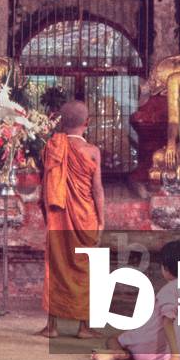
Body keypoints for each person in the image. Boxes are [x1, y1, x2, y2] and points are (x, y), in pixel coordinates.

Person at [38, 100, 105, 339]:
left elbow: (45, 186)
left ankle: (52, 327)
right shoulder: (92, 152)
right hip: (85, 217)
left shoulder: (51, 147)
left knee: (55, 267)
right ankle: (83, 327)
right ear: (87, 123)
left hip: (58, 216)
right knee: (85, 269)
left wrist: (46, 213)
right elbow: (97, 190)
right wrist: (101, 221)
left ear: (61, 123)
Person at [91, 239, 180, 360]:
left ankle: (120, 353)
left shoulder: (169, 290)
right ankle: (128, 353)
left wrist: (175, 358)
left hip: (147, 351)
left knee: (113, 338)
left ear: (165, 268)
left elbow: (167, 322)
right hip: (167, 354)